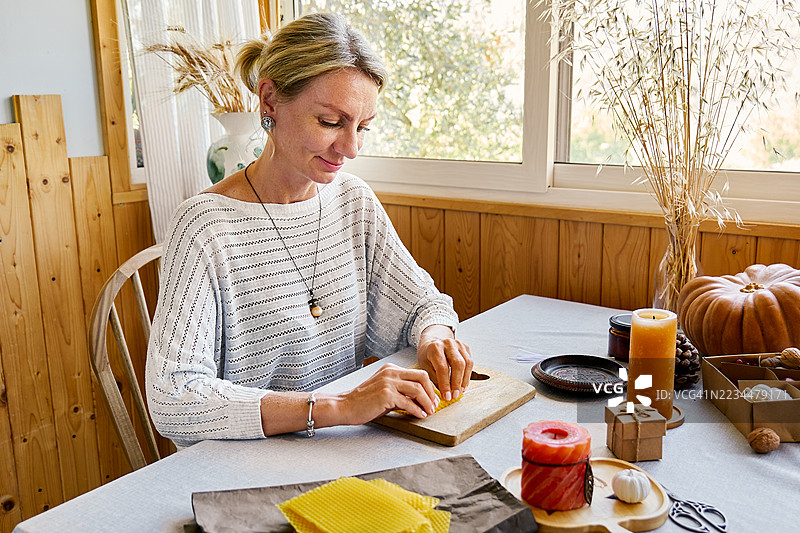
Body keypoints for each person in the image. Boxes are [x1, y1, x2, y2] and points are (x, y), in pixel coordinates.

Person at [146, 12, 473, 448]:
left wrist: (435, 335)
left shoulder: (352, 201)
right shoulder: (205, 226)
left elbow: (421, 304)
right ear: (269, 103)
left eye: (363, 127)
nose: (351, 148)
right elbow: (175, 397)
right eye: (331, 122)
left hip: (341, 451)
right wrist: (337, 407)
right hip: (244, 468)